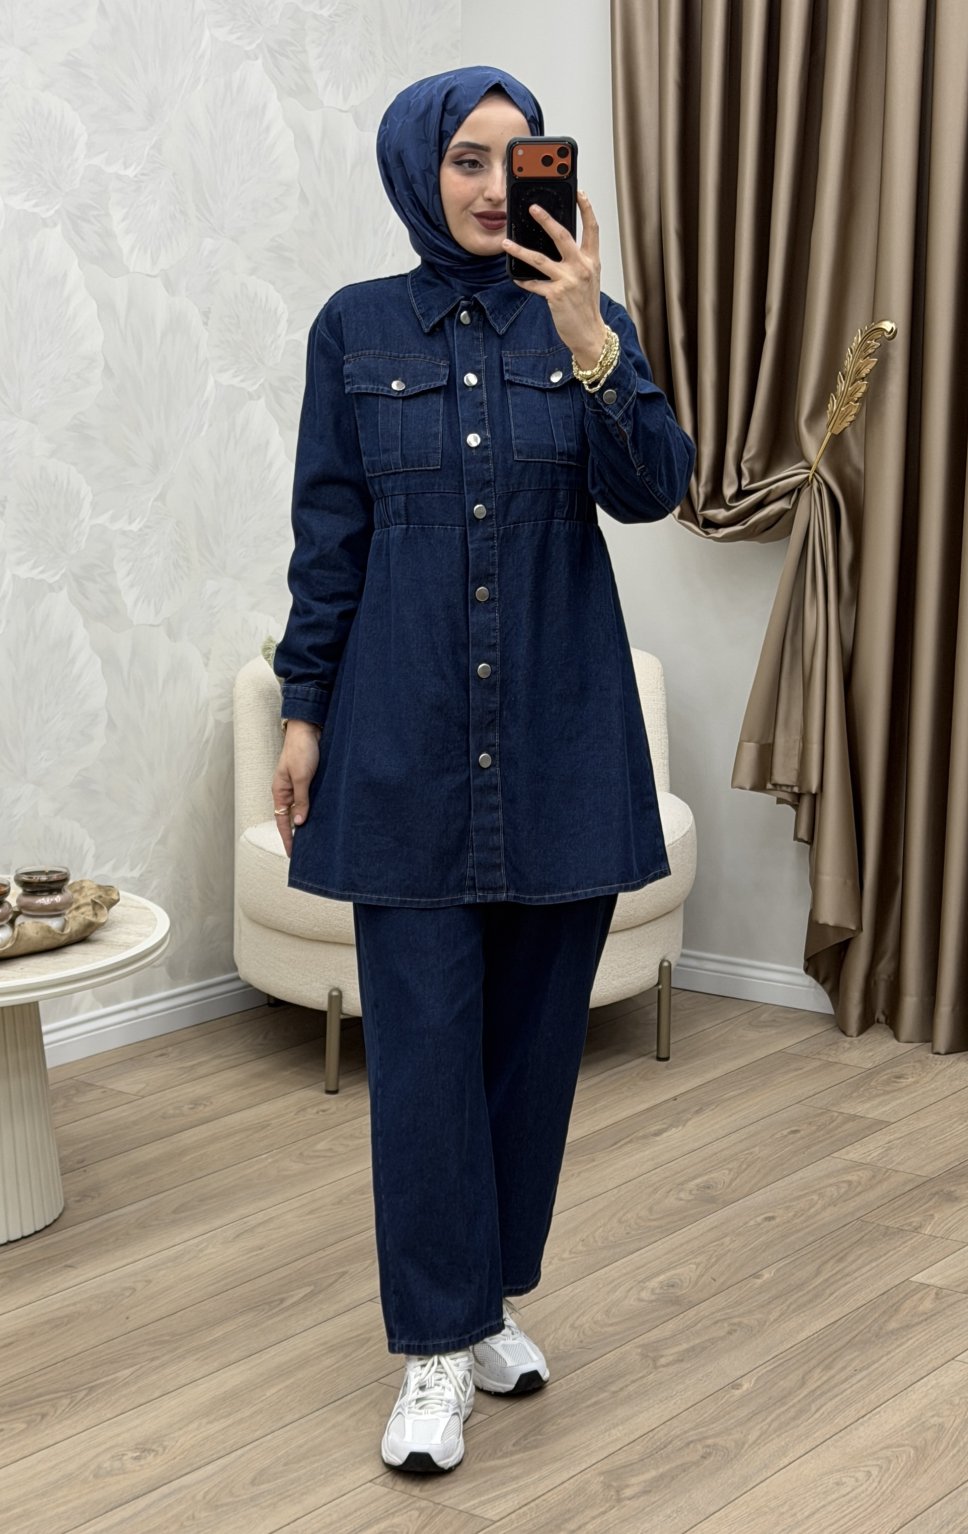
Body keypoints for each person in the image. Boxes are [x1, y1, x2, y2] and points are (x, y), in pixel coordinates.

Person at [270, 65, 695, 1474]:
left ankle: (484, 1298)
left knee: (532, 1055)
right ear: (419, 170)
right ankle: (435, 1353)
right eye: (467, 157)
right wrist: (303, 713)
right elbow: (329, 537)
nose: (495, 184)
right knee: (424, 1061)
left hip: (562, 741)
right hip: (403, 744)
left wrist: (592, 341)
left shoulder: (586, 322)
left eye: (520, 158)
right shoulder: (353, 330)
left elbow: (657, 488)